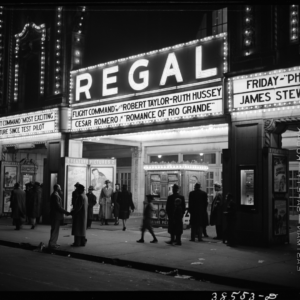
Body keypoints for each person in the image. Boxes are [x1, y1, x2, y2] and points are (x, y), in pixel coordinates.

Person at [48, 184, 70, 249]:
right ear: (57, 188)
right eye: (60, 187)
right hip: (55, 215)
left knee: (55, 229)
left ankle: (54, 242)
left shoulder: (55, 195)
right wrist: (66, 212)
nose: (61, 189)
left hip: (55, 215)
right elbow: (58, 207)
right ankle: (52, 244)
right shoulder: (55, 196)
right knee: (55, 229)